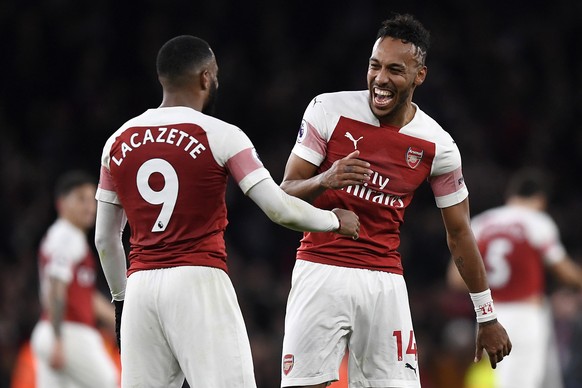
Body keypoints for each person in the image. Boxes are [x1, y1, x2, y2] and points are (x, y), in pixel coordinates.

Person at [93, 35, 359, 388]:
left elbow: (105, 238)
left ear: (163, 78)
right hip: (198, 281)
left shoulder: (117, 141)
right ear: (205, 77)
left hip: (141, 288)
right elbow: (278, 208)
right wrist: (333, 220)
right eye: (215, 74)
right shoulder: (221, 135)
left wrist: (122, 300)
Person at [278, 13, 511, 388]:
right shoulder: (328, 109)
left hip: (384, 281)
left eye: (395, 70)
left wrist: (485, 315)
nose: (380, 79)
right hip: (320, 269)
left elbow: (459, 233)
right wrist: (327, 178)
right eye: (375, 66)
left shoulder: (438, 145)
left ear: (419, 76)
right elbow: (284, 191)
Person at [448, 168, 582, 388]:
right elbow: (564, 272)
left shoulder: (483, 223)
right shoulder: (537, 221)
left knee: (498, 381)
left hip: (489, 316)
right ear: (540, 199)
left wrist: (490, 288)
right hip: (526, 315)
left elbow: (455, 279)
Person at [30, 171, 119, 388]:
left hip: (52, 331)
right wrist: (58, 338)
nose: (89, 206)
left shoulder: (67, 236)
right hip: (68, 331)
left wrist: (117, 319)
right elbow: (56, 288)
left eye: (92, 199)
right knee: (108, 382)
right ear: (61, 203)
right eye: (81, 198)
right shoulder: (66, 236)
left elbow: (84, 295)